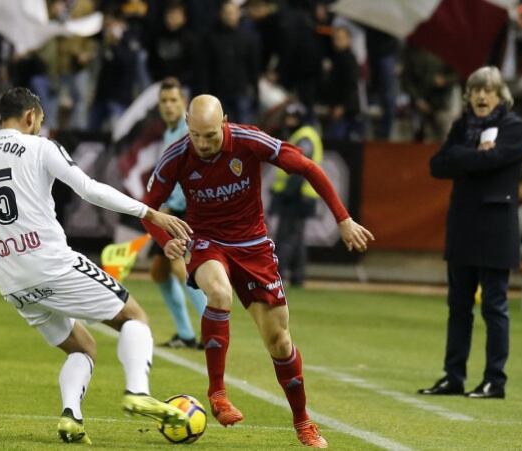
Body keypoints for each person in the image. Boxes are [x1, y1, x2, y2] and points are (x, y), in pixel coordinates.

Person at [0, 87, 192, 445]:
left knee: (82, 347)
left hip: (13, 282)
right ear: (31, 117)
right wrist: (150, 213)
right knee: (133, 317)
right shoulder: (41, 147)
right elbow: (89, 189)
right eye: (40, 121)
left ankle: (71, 418)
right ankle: (138, 391)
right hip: (52, 264)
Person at [141, 94, 374, 448]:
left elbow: (308, 167)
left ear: (225, 122)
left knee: (280, 341)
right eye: (196, 135)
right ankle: (218, 393)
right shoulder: (176, 155)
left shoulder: (249, 140)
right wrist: (165, 240)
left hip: (253, 247)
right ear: (187, 127)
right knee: (219, 293)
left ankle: (303, 422)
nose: (202, 144)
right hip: (206, 241)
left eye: (210, 135)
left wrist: (343, 219)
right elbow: (147, 208)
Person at [420, 66, 522, 399]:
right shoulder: (462, 125)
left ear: (500, 96)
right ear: (469, 95)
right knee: (458, 306)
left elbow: (494, 160)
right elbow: (437, 165)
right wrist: (472, 157)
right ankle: (453, 376)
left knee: (494, 306)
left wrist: (461, 157)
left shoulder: (514, 127)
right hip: (464, 224)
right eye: (477, 90)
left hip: (496, 227)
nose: (482, 96)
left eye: (488, 90)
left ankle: (495, 380)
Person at [150, 78, 207, 349]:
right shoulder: (170, 132)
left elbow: (193, 174)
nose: (168, 106)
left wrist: (170, 205)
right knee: (159, 271)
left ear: (184, 102)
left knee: (178, 265)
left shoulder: (188, 132)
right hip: (170, 211)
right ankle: (185, 334)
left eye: (173, 100)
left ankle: (211, 329)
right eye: (164, 101)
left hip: (186, 210)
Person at [269, 103, 322, 287]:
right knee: (296, 237)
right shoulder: (303, 135)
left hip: (297, 196)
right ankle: (298, 276)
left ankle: (279, 274)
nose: (289, 121)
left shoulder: (304, 136)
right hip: (302, 195)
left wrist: (287, 192)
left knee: (286, 236)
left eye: (293, 118)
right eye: (288, 117)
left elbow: (300, 168)